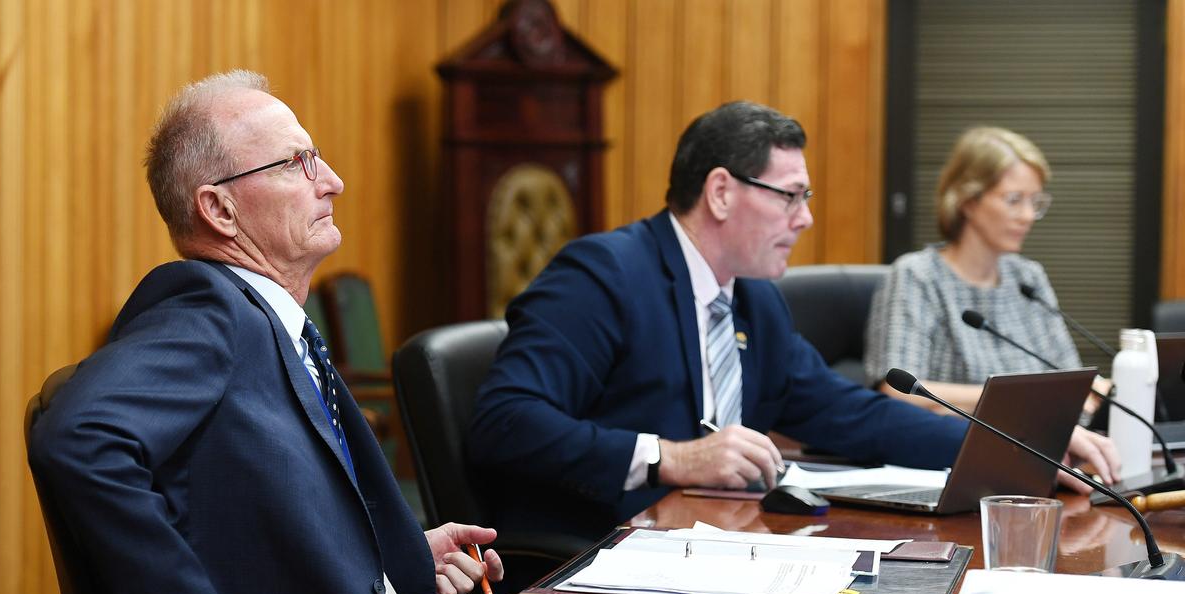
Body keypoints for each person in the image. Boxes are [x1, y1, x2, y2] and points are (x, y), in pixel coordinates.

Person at [27, 70, 501, 594]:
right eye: (297, 164)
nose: (331, 181)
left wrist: (398, 559)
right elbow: (77, 435)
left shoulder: (271, 327)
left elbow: (253, 521)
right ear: (219, 209)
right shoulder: (207, 313)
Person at [467, 104, 1119, 543]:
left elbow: (854, 416)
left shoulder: (751, 300)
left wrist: (1017, 449)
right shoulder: (605, 274)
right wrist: (668, 456)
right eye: (791, 196)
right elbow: (504, 422)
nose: (804, 219)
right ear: (722, 192)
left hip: (718, 551)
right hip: (593, 560)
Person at [865, 126, 1101, 414]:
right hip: (947, 451)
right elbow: (897, 392)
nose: (1028, 216)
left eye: (1035, 202)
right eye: (1014, 200)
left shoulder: (1028, 278)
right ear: (967, 201)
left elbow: (1069, 381)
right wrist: (1019, 399)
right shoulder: (917, 276)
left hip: (1039, 447)